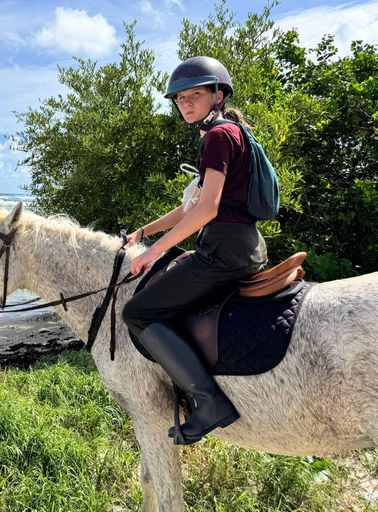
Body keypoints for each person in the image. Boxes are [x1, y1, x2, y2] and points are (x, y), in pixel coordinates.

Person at [121, 56, 268, 445]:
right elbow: (189, 208)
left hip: (223, 254)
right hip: (246, 248)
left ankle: (209, 403)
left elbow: (208, 210)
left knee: (137, 313)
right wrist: (144, 232)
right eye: (180, 98)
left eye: (195, 95)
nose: (185, 103)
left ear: (218, 95)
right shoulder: (232, 132)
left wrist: (152, 252)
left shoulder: (217, 137)